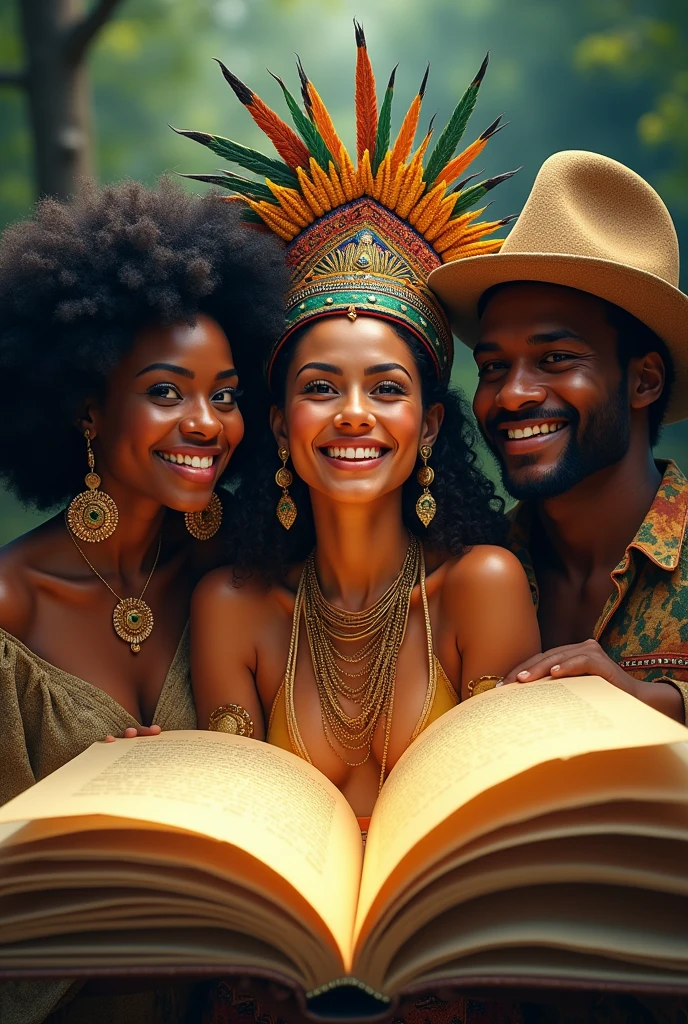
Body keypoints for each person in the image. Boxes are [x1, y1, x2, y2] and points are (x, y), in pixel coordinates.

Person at [0, 178, 287, 1024]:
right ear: (88, 407)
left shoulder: (245, 562)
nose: (207, 423)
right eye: (167, 392)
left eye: (227, 395)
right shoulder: (13, 608)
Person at [429, 149, 688, 725]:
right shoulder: (471, 565)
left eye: (556, 358)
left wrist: (655, 702)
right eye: (493, 366)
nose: (513, 393)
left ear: (643, 380)